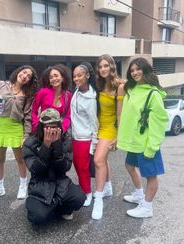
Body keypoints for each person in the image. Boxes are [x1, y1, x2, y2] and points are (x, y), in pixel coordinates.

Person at [117, 57, 168, 218]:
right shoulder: (132, 89)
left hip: (146, 143)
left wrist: (152, 146)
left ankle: (147, 207)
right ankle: (139, 194)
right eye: (132, 70)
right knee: (129, 166)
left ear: (145, 70)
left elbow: (159, 122)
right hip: (133, 141)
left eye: (138, 69)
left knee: (151, 176)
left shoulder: (153, 93)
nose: (135, 73)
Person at [22, 108, 86, 225]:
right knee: (37, 219)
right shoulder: (30, 143)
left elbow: (65, 168)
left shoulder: (65, 140)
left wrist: (57, 145)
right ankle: (46, 207)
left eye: (54, 127)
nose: (51, 130)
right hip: (40, 184)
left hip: (60, 182)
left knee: (80, 198)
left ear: (59, 127)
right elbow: (35, 170)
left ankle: (59, 208)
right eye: (47, 127)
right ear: (41, 127)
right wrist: (45, 146)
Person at [0, 65, 38, 201]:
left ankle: (22, 186)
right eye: (24, 72)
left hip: (16, 127)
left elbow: (27, 116)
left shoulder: (27, 95)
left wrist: (26, 135)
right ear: (19, 71)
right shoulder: (0, 84)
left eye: (29, 76)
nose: (25, 76)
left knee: (20, 160)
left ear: (29, 81)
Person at [92, 54, 125, 220]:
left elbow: (120, 114)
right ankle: (108, 187)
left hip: (110, 129)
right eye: (100, 66)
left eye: (106, 65)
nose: (103, 69)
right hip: (98, 127)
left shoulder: (119, 86)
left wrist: (118, 136)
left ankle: (98, 198)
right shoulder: (99, 85)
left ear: (112, 67)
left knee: (98, 160)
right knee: (103, 161)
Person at [71, 62, 98, 207]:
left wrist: (93, 145)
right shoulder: (76, 91)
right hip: (74, 137)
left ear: (87, 76)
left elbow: (94, 123)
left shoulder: (91, 99)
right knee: (77, 166)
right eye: (74, 76)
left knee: (83, 168)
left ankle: (88, 193)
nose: (76, 78)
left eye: (79, 75)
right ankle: (84, 190)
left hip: (84, 139)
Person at [31, 64, 72, 134]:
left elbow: (68, 116)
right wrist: (36, 126)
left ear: (62, 78)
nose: (54, 79)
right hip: (42, 132)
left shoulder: (68, 95)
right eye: (51, 77)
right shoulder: (43, 92)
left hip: (58, 133)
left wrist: (63, 129)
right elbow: (33, 111)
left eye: (56, 76)